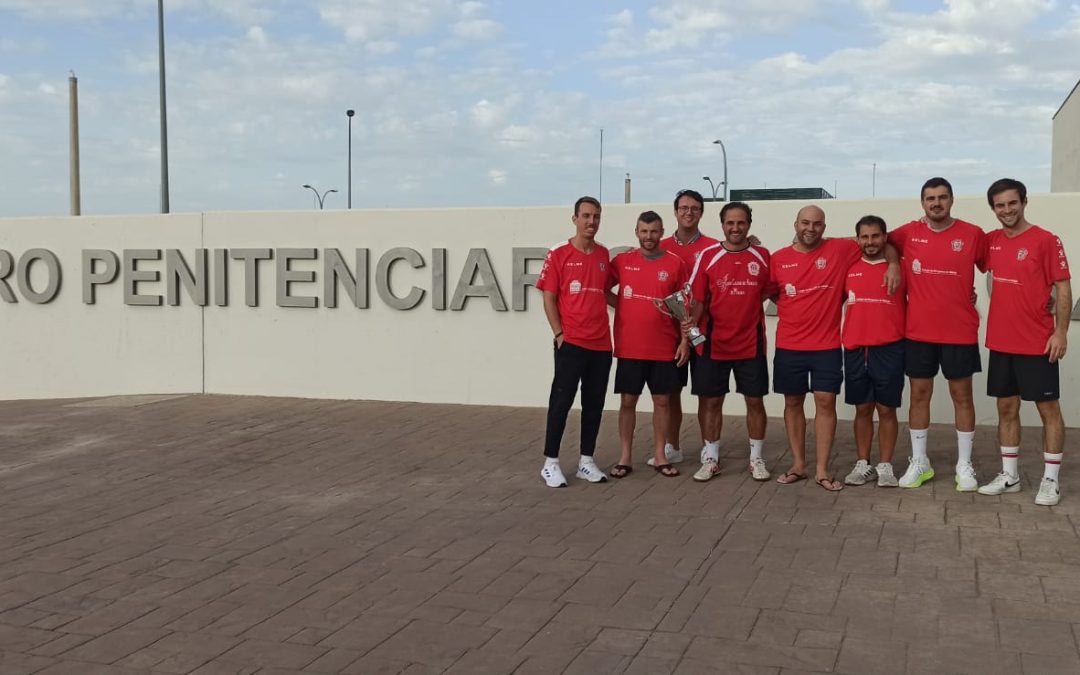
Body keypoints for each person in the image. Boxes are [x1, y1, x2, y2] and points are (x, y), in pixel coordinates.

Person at [769, 205, 899, 491]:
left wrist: (894, 264)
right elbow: (769, 291)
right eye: (805, 222)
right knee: (792, 403)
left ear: (824, 227)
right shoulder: (777, 259)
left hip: (826, 345)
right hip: (789, 345)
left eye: (817, 224)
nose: (810, 228)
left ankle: (822, 470)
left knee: (825, 402)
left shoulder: (840, 249)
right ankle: (798, 466)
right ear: (796, 223)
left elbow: (884, 245)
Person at [977, 179, 1071, 506]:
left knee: (1048, 410)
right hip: (1002, 343)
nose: (1006, 210)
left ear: (1024, 202)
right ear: (993, 208)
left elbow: (1062, 287)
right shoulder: (990, 242)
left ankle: (1050, 481)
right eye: (999, 205)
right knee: (1006, 408)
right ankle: (1010, 475)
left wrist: (1060, 332)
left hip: (1038, 343)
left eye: (1012, 203)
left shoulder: (1046, 240)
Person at [890, 178, 987, 490]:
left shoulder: (973, 234)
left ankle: (965, 464)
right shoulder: (907, 232)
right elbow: (876, 241)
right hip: (918, 332)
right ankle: (920, 462)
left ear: (952, 200)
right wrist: (893, 263)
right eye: (930, 198)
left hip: (959, 331)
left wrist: (1044, 294)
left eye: (942, 197)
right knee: (919, 395)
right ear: (922, 203)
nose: (936, 203)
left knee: (962, 396)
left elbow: (1002, 264)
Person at [685, 202, 771, 482]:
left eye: (741, 223)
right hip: (712, 344)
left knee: (755, 401)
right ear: (722, 224)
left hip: (750, 344)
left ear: (749, 224)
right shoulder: (707, 256)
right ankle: (711, 458)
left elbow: (770, 292)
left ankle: (756, 458)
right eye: (730, 223)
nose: (736, 228)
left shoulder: (762, 256)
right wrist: (691, 338)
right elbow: (697, 301)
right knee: (711, 403)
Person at [535, 196, 613, 488]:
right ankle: (551, 462)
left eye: (596, 217)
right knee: (561, 401)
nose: (591, 222)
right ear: (575, 219)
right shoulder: (558, 253)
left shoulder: (604, 255)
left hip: (602, 345)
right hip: (571, 343)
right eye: (586, 216)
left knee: (594, 404)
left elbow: (609, 293)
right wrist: (559, 334)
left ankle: (586, 461)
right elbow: (549, 297)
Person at [607, 211, 691, 478]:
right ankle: (625, 458)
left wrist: (684, 341)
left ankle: (660, 456)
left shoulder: (675, 263)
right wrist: (622, 305)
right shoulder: (621, 261)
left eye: (654, 232)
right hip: (630, 346)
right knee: (628, 402)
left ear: (661, 232)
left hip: (664, 346)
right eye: (644, 231)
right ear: (636, 232)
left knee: (662, 401)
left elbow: (682, 306)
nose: (649, 237)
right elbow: (602, 289)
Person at [841, 216, 906, 488]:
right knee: (863, 408)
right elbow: (808, 240)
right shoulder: (847, 266)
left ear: (885, 237)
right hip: (856, 348)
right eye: (865, 237)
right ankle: (863, 463)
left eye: (876, 236)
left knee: (887, 409)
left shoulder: (899, 270)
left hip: (890, 348)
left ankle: (886, 466)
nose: (870, 242)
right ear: (857, 239)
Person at [657, 189, 720, 467]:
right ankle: (673, 447)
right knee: (671, 392)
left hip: (704, 332)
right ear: (675, 211)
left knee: (707, 392)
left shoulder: (714, 247)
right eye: (684, 207)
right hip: (669, 334)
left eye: (695, 208)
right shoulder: (659, 246)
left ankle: (709, 449)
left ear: (701, 212)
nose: (689, 212)